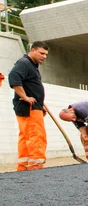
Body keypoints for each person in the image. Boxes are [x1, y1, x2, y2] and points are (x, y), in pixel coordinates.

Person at [7, 41, 49, 171]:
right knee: (36, 135)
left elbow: (30, 86)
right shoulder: (24, 63)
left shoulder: (32, 65)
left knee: (26, 136)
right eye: (42, 53)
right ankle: (35, 164)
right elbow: (13, 77)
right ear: (33, 50)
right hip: (29, 107)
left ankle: (24, 165)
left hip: (32, 106)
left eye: (46, 54)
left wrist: (41, 103)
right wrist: (25, 97)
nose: (44, 56)